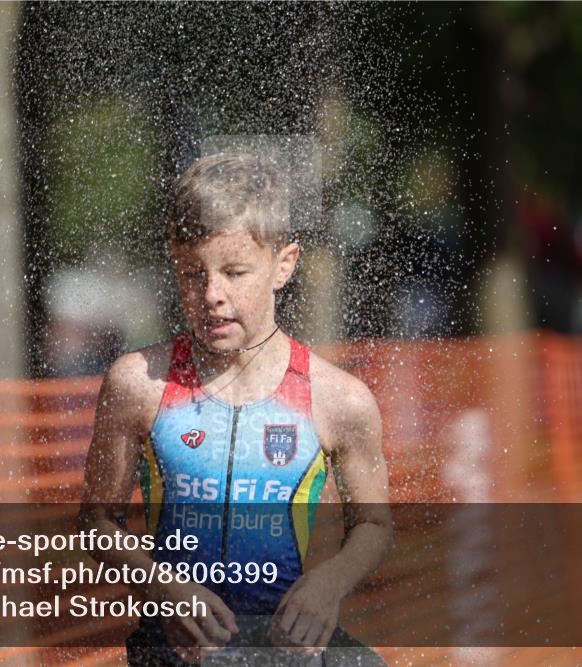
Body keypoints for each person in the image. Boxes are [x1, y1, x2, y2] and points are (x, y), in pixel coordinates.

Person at [78, 153, 392, 666]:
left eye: (234, 271)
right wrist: (162, 589)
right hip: (176, 646)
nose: (212, 295)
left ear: (283, 265)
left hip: (286, 643)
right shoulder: (138, 383)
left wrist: (329, 583)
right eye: (191, 274)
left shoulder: (339, 399)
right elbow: (96, 521)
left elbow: (374, 527)